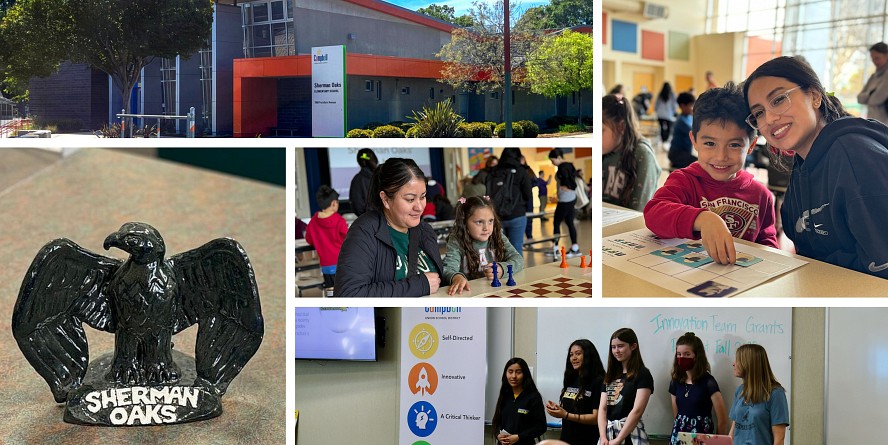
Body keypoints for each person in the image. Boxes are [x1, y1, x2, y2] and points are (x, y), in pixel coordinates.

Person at [743, 55, 888, 278]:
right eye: (759, 113)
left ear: (814, 96)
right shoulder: (804, 164)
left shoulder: (854, 155)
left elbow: (881, 266)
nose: (769, 118)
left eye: (779, 99)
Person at [644, 82, 778, 264]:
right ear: (694, 141)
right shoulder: (684, 181)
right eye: (710, 143)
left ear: (750, 146)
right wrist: (703, 218)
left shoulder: (762, 196)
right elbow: (654, 214)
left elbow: (768, 248)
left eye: (734, 145)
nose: (720, 156)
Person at [333, 157, 445, 296]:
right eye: (410, 199)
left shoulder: (425, 231)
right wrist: (419, 285)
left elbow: (437, 280)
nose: (419, 207)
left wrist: (454, 277)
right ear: (385, 199)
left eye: (422, 197)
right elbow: (348, 294)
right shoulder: (365, 231)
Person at [443, 196, 524, 295]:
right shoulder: (457, 240)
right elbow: (448, 269)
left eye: (490, 221)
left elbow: (518, 259)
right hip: (468, 294)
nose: (486, 228)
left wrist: (502, 269)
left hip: (496, 292)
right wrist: (456, 277)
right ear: (464, 222)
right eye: (479, 222)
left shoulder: (497, 235)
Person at [602, 94, 661, 211]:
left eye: (601, 130)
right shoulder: (605, 153)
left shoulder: (642, 155)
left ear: (621, 126)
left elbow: (639, 213)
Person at [668, 333, 729, 445]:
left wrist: (717, 443)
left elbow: (723, 420)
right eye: (679, 354)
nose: (682, 358)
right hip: (679, 435)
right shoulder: (675, 381)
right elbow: (676, 415)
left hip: (702, 436)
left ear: (697, 356)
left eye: (687, 354)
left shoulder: (709, 382)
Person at [597, 328, 653, 445]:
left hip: (630, 434)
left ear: (633, 346)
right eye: (613, 347)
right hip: (608, 435)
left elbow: (637, 411)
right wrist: (603, 437)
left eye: (620, 346)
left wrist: (618, 440)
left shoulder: (642, 373)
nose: (616, 351)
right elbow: (602, 409)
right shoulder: (610, 375)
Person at [545, 339, 605, 445]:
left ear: (588, 355)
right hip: (566, 439)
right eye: (571, 355)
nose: (574, 358)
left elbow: (596, 418)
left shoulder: (598, 381)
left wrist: (566, 415)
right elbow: (569, 409)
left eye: (578, 354)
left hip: (588, 439)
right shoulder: (571, 379)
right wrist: (558, 410)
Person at [729, 344, 789, 445]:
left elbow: (779, 440)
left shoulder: (775, 393)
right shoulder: (740, 391)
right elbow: (733, 431)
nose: (734, 364)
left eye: (738, 360)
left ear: (748, 363)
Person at [486, 148, 533, 256]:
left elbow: (488, 193)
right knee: (516, 250)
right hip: (517, 215)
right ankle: (517, 273)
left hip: (497, 217)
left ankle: (502, 272)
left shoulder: (494, 171)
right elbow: (528, 195)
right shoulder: (521, 171)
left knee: (501, 250)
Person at [492, 357, 547, 445]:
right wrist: (498, 435)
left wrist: (519, 437)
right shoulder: (505, 395)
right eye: (510, 372)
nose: (513, 376)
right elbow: (496, 422)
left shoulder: (533, 396)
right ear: (505, 374)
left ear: (524, 374)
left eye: (518, 372)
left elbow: (541, 427)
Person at [304, 185, 349, 289]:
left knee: (331, 291)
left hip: (326, 267)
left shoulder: (313, 221)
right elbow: (348, 240)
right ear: (334, 203)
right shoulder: (339, 220)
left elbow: (309, 239)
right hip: (342, 265)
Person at [548, 149, 581, 258]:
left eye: (552, 160)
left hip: (565, 200)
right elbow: (575, 177)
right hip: (570, 198)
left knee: (556, 222)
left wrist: (568, 187)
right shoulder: (569, 165)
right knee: (569, 222)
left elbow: (570, 181)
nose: (552, 163)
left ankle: (555, 248)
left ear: (558, 157)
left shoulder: (562, 167)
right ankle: (575, 248)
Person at [857, 42, 888, 126]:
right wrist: (870, 94)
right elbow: (859, 98)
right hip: (873, 121)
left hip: (885, 124)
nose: (874, 62)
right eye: (873, 59)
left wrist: (867, 96)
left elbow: (877, 98)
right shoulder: (873, 76)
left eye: (877, 58)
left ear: (886, 55)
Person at [669, 92, 697, 169]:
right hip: (677, 154)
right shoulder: (681, 121)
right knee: (701, 164)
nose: (693, 108)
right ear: (682, 106)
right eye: (691, 105)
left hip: (685, 153)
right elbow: (696, 133)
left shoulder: (689, 117)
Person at [348, 148, 378, 216]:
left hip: (366, 222)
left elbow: (357, 205)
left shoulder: (356, 180)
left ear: (359, 161)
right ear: (374, 159)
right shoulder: (383, 177)